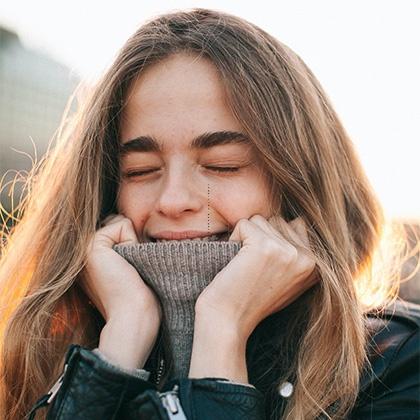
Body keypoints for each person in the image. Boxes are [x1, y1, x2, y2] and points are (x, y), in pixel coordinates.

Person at [0, 8, 419, 420]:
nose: (173, 200)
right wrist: (118, 348)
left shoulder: (396, 364)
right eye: (140, 171)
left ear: (297, 186)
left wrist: (221, 331)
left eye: (223, 165)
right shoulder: (39, 351)